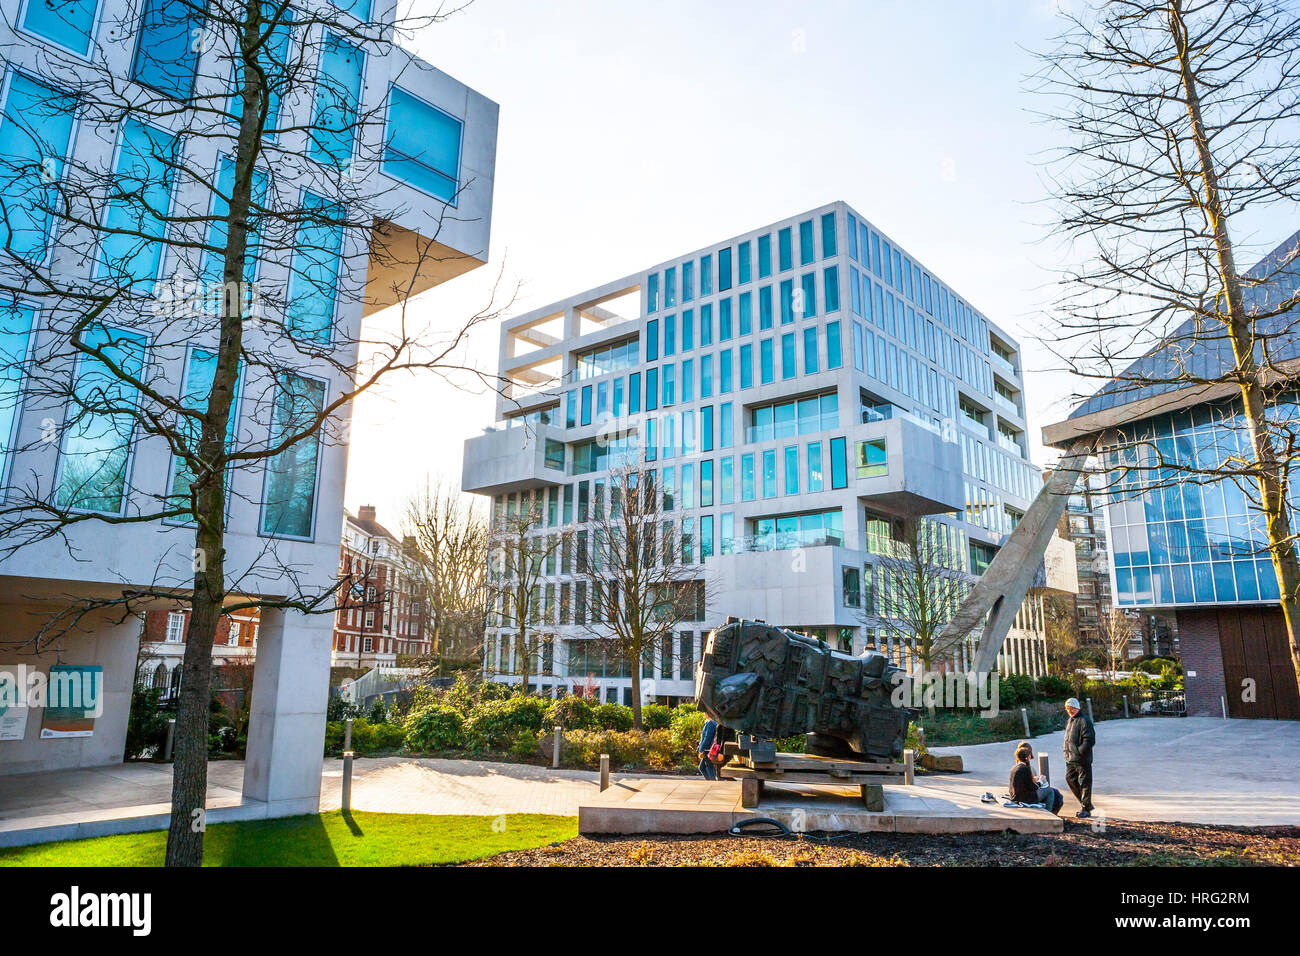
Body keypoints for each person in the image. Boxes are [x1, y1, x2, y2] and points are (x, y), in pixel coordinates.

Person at [1063, 697, 1096, 818]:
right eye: (1068, 709)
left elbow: (1090, 740)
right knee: (1070, 779)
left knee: (1084, 783)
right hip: (1070, 758)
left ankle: (1085, 808)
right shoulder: (1070, 720)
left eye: (1072, 708)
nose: (1070, 711)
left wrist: (1080, 752)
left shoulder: (1084, 721)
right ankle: (1086, 804)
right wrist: (1066, 752)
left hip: (1082, 759)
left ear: (1077, 708)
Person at [1009, 741, 1063, 814]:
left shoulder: (1014, 768)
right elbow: (1033, 788)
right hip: (1024, 798)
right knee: (1049, 791)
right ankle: (1048, 814)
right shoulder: (1025, 769)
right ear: (1027, 758)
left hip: (1015, 796)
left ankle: (1048, 812)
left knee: (1051, 792)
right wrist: (1041, 781)